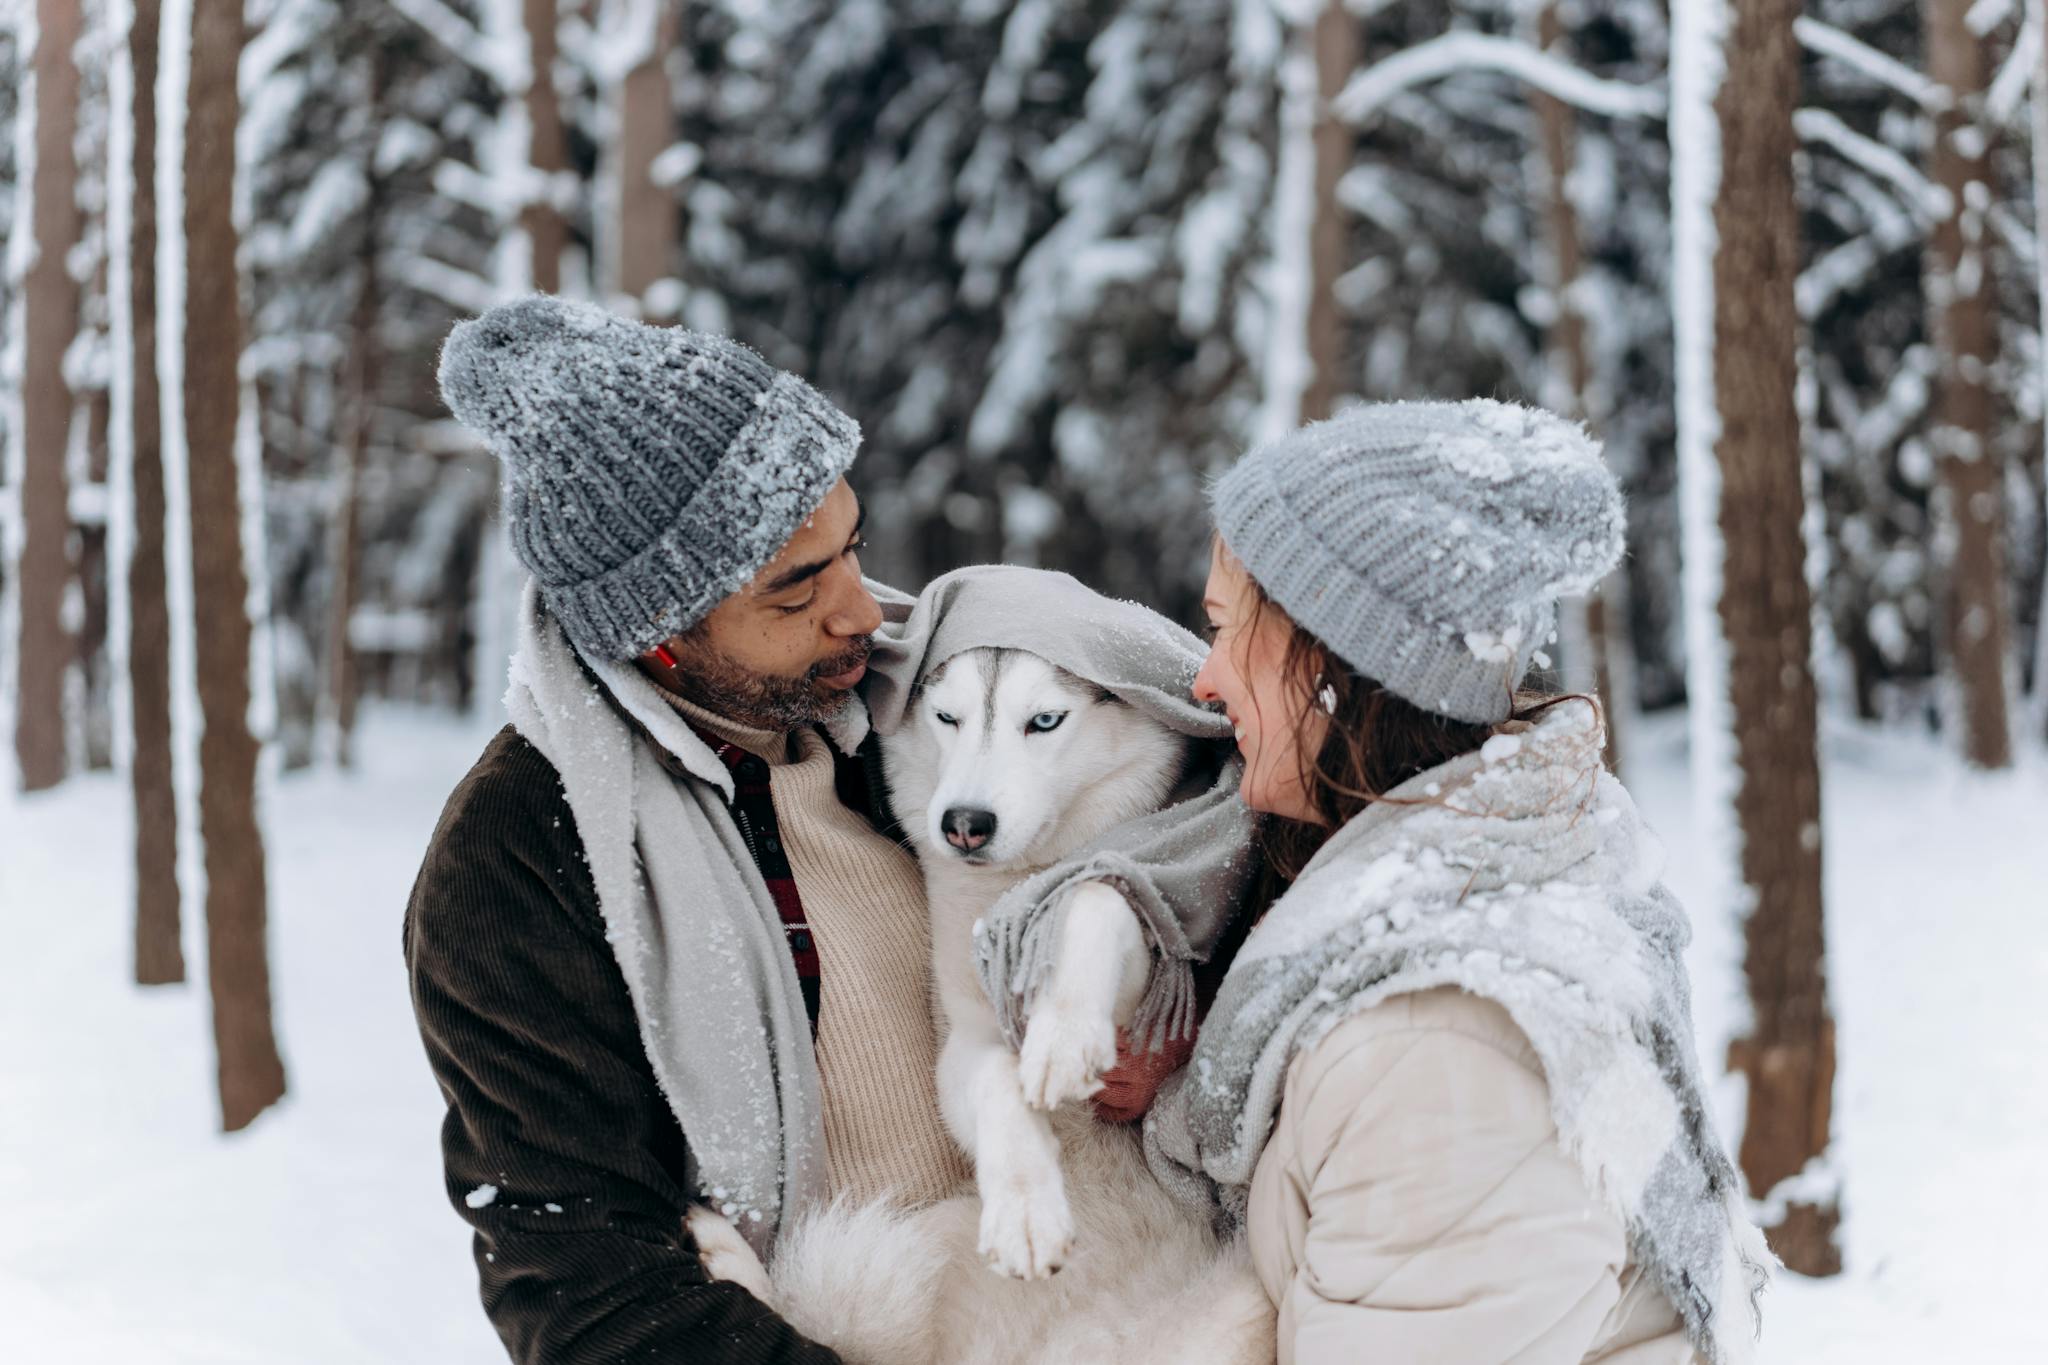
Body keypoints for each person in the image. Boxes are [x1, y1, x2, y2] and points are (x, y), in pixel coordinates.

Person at [406, 296, 1229, 1364]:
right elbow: (588, 1295)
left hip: (1121, 1286)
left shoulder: (918, 700)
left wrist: (1181, 1022)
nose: (861, 612)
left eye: (851, 547)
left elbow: (1212, 848)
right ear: (655, 634)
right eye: (797, 588)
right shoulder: (520, 861)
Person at [1139, 400, 1774, 1364]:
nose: (1205, 679)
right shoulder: (1488, 875)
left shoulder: (1440, 1050)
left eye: (1228, 630)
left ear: (1336, 668)